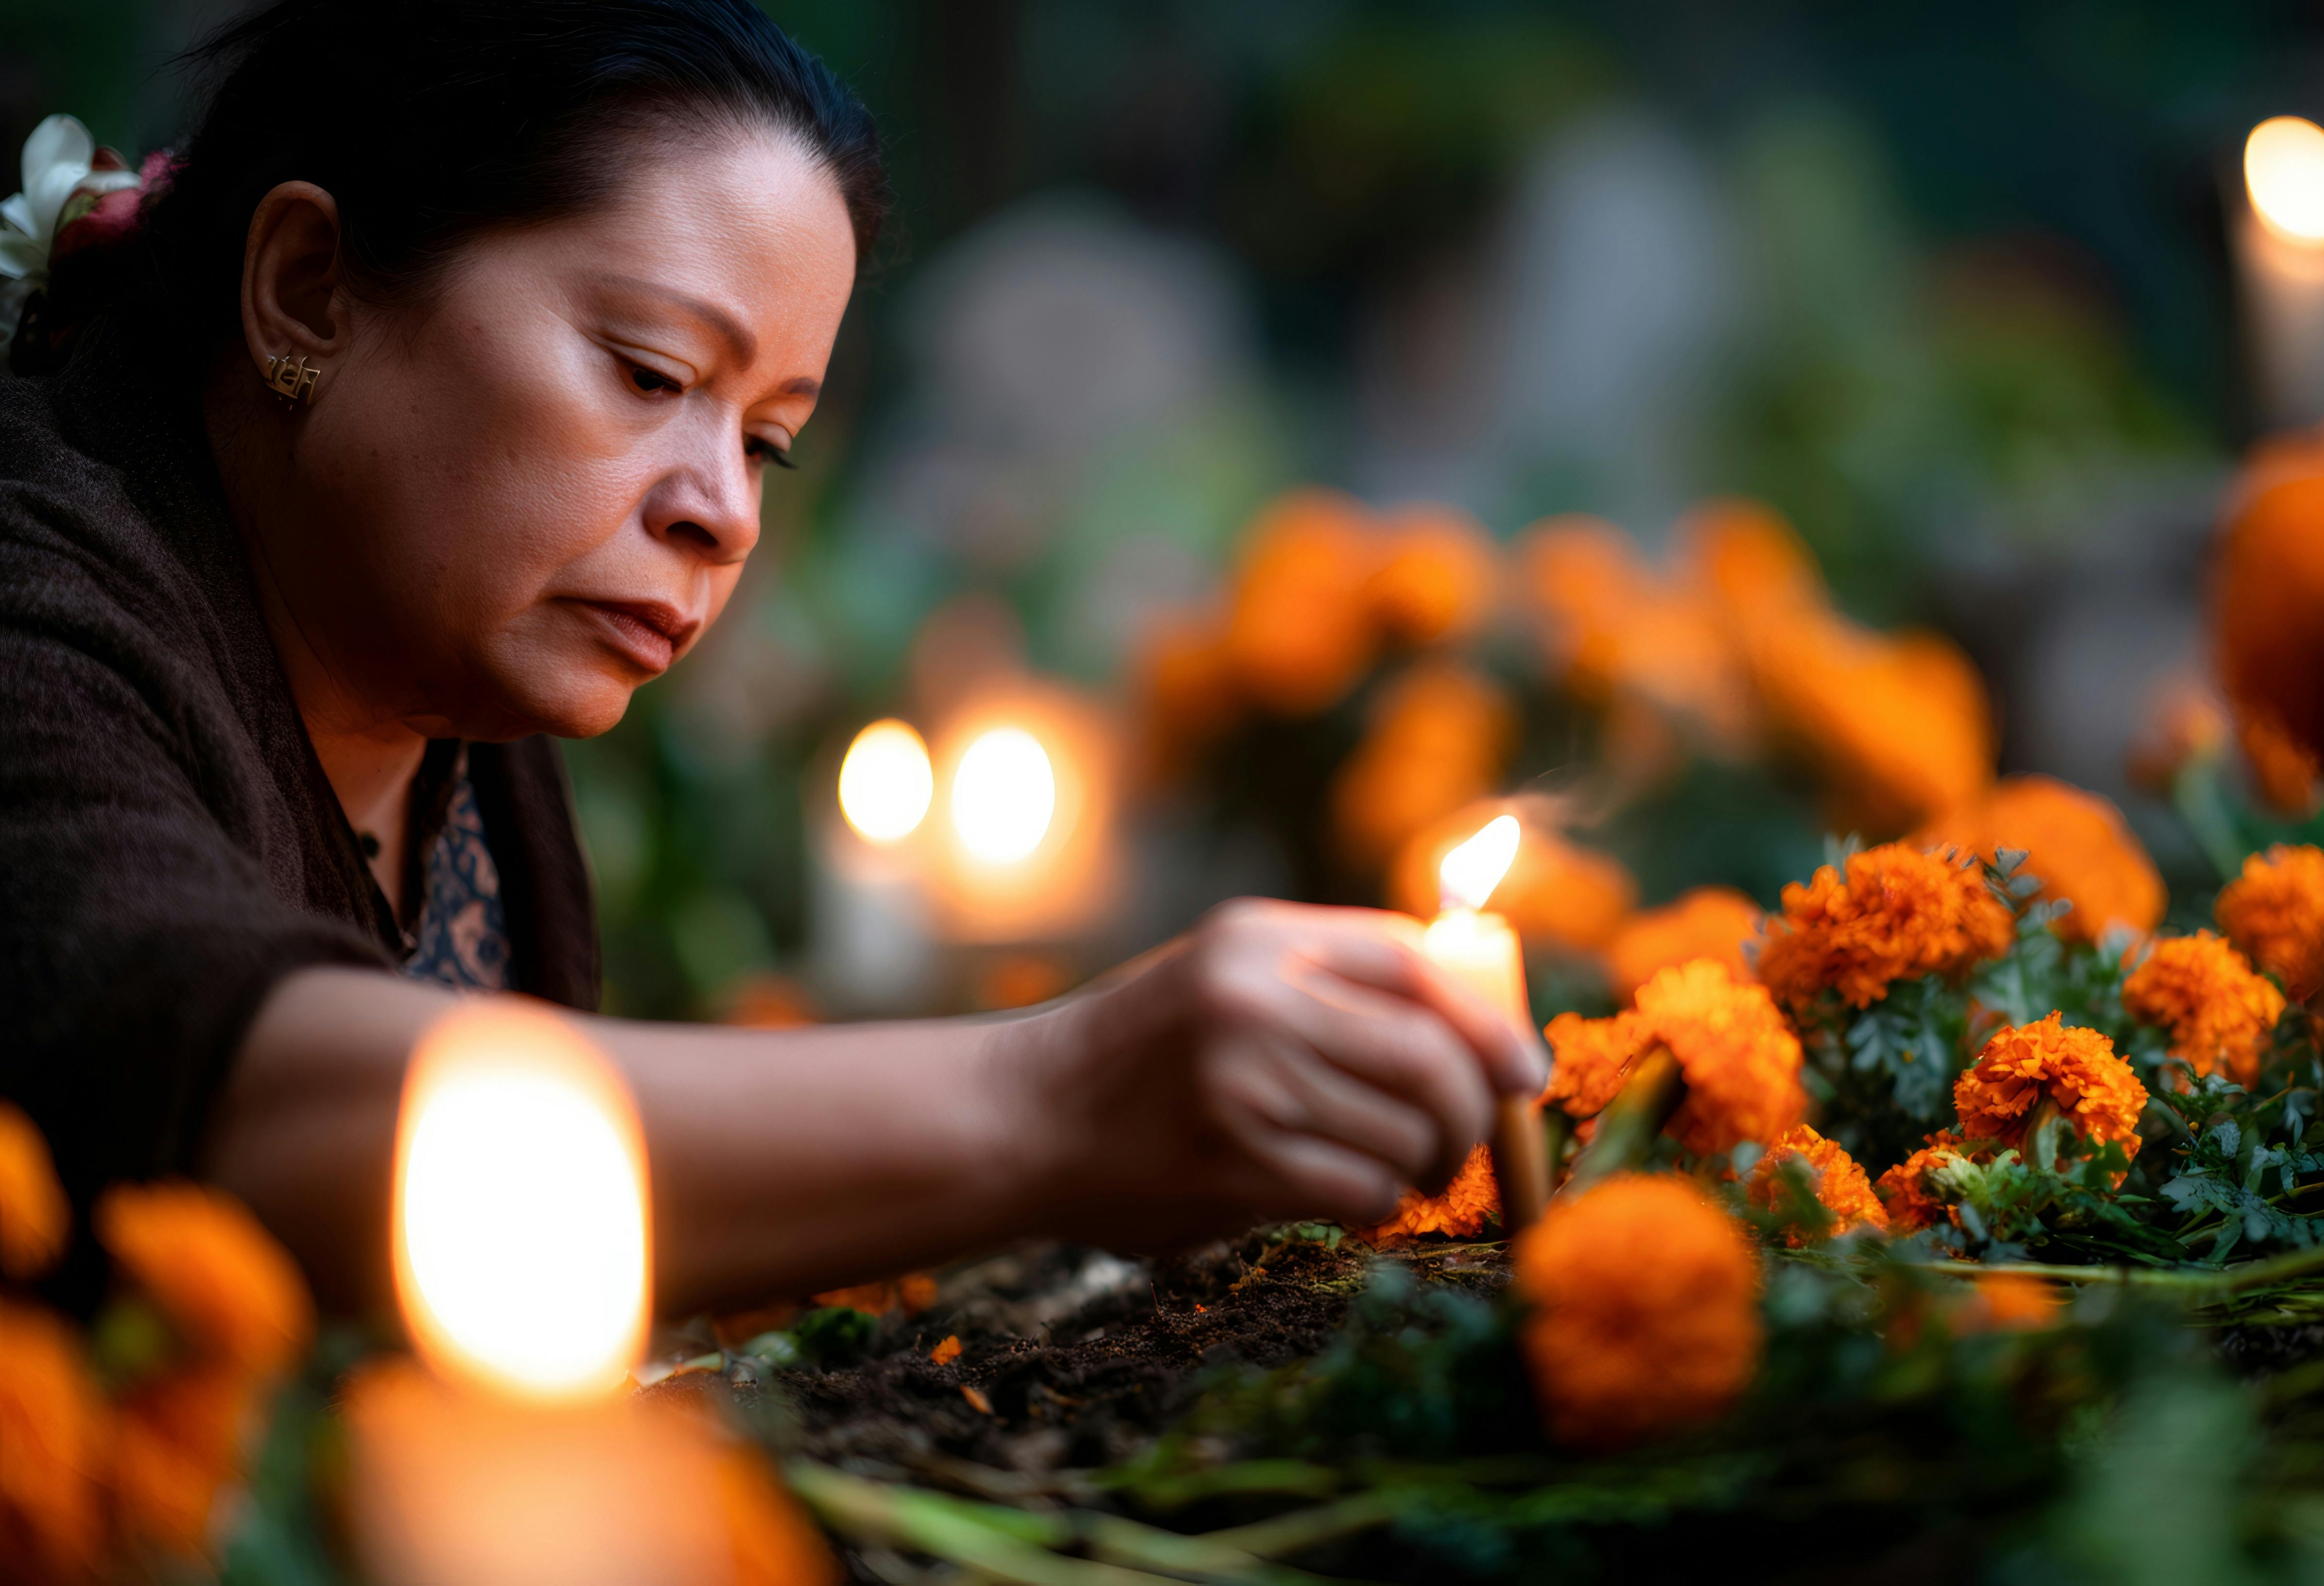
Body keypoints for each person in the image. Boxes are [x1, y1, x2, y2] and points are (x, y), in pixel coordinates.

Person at [0, 0, 1542, 1316]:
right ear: (309, 289)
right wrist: (1054, 1100)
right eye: (651, 372)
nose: (721, 514)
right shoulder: (38, 619)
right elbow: (240, 1119)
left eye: (770, 443)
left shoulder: (461, 695)